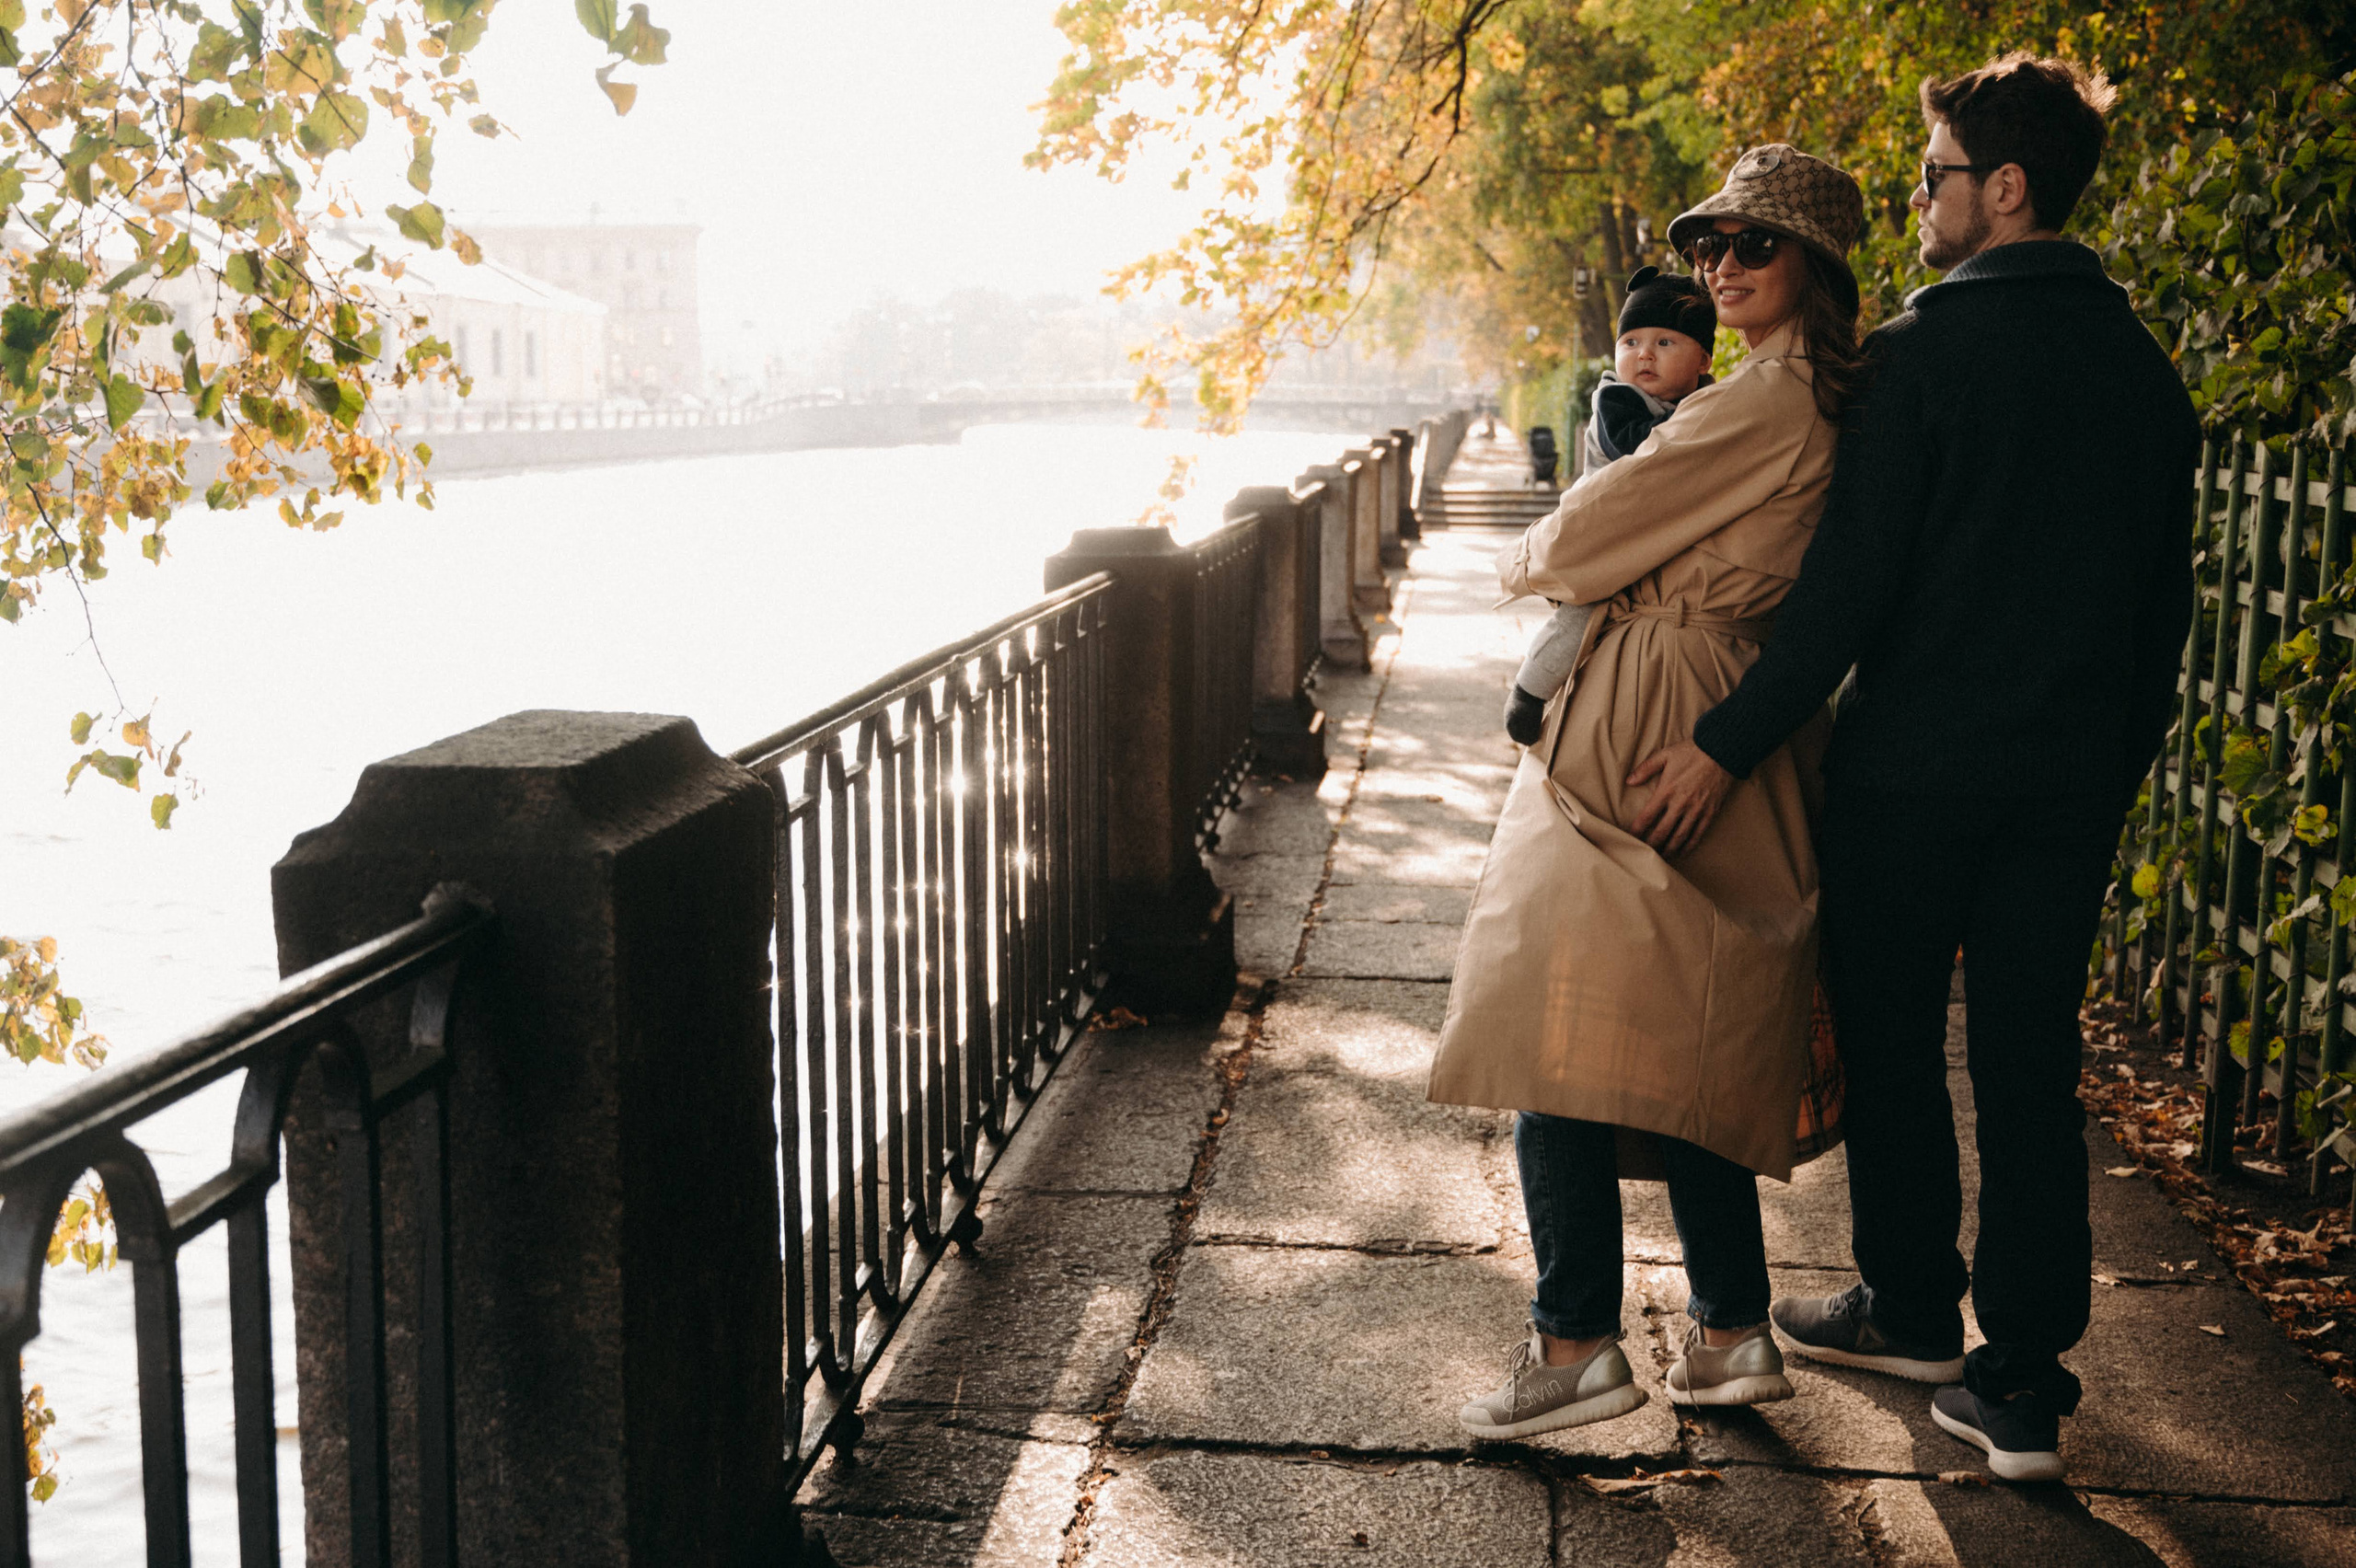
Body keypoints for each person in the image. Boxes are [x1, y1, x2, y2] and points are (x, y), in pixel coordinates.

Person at [1627, 55, 2198, 1483]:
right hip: (2065, 787)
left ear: (2005, 189)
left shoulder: (1925, 356)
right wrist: (2107, 771)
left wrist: (1722, 743)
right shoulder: (2144, 372)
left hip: (1910, 780)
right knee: (2026, 1065)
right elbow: (2161, 619)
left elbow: (1847, 598)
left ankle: (1910, 1308)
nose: (1922, 201)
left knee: (1888, 1044)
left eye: (1937, 175)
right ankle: (2022, 1389)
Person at [1429, 144, 1870, 1440]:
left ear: (1814, 265)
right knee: (1674, 1040)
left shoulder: (1760, 402)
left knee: (1544, 1027)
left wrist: (1541, 549)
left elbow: (1587, 530)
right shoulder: (1812, 395)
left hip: (1649, 717)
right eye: (1709, 247)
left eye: (1753, 245)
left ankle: (1574, 1350)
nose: (1721, 266)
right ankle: (1729, 1332)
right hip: (1703, 707)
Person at [1504, 268, 1718, 746]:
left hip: (1643, 535)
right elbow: (1639, 453)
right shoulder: (1616, 399)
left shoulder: (1708, 403)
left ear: (1704, 358)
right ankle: (1530, 688)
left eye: (1666, 343)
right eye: (1631, 343)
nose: (1644, 354)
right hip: (1596, 532)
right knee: (1582, 613)